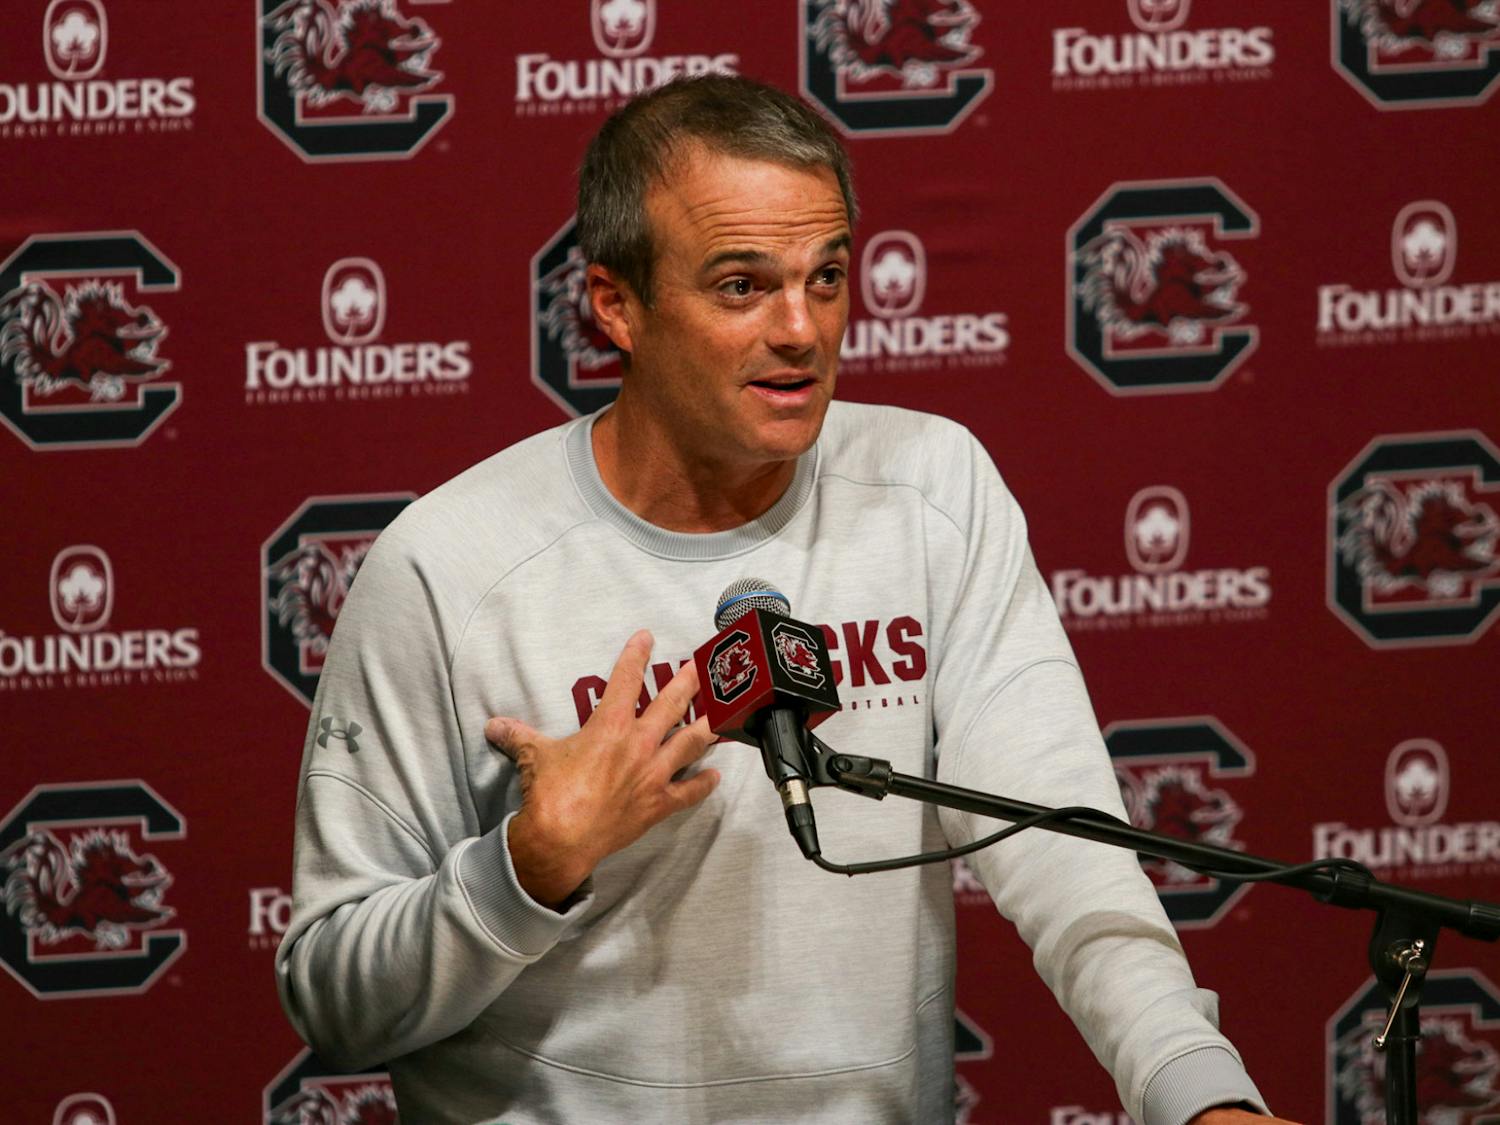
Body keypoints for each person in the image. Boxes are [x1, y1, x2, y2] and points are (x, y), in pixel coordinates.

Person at [276, 75, 1298, 1124]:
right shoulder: (448, 567)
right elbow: (332, 996)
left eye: (827, 276)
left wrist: (1200, 1093)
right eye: (740, 285)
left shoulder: (933, 493)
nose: (803, 330)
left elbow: (1066, 847)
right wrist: (529, 867)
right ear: (615, 304)